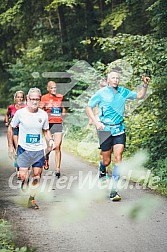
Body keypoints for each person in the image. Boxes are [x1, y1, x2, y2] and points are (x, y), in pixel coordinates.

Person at [86, 70, 150, 201]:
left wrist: (145, 85)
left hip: (119, 129)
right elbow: (88, 107)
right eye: (113, 78)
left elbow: (139, 96)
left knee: (118, 158)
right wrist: (96, 121)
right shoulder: (101, 93)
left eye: (117, 78)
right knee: (106, 160)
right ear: (108, 80)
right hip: (105, 129)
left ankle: (114, 191)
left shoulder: (123, 91)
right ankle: (102, 170)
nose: (115, 80)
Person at [8, 88, 54, 209]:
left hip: (38, 150)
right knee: (23, 176)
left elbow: (46, 131)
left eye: (37, 99)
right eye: (32, 99)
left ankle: (32, 199)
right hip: (24, 149)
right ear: (27, 99)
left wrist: (50, 140)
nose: (34, 101)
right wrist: (11, 146)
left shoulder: (43, 115)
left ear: (40, 100)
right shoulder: (20, 113)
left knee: (37, 175)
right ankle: (24, 181)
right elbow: (11, 128)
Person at [40, 81, 65, 178]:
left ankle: (58, 170)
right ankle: (46, 157)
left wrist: (63, 114)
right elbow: (40, 109)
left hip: (58, 123)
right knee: (50, 146)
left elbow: (62, 108)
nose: (54, 90)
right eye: (52, 88)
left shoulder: (60, 97)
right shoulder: (44, 98)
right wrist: (46, 108)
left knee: (57, 146)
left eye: (55, 88)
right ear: (48, 89)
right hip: (48, 124)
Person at [5, 91, 26, 177]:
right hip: (14, 129)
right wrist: (7, 122)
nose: (20, 99)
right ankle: (18, 168)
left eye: (21, 97)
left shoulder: (25, 107)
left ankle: (20, 166)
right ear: (15, 98)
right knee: (17, 147)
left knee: (21, 148)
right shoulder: (11, 107)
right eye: (18, 97)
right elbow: (7, 115)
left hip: (23, 129)